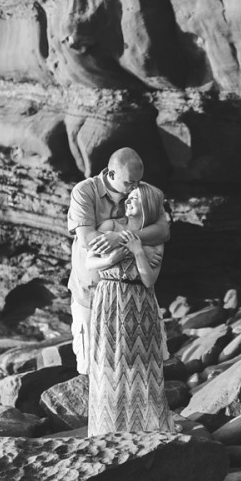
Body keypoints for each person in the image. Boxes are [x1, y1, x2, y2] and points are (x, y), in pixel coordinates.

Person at [66, 147, 170, 376]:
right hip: (90, 293)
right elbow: (89, 241)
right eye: (129, 183)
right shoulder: (85, 191)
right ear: (111, 174)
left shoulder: (142, 192)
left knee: (134, 366)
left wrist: (121, 239)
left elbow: (163, 231)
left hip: (131, 298)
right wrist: (131, 243)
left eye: (138, 182)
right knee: (92, 365)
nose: (134, 188)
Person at [84, 182, 175, 435]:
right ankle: (107, 429)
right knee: (108, 364)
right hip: (108, 298)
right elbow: (89, 260)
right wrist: (111, 259)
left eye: (135, 198)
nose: (128, 200)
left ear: (147, 204)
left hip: (140, 302)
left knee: (142, 367)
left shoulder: (155, 241)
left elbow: (149, 280)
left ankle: (146, 430)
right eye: (129, 196)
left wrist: (137, 252)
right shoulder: (110, 227)